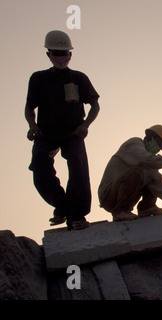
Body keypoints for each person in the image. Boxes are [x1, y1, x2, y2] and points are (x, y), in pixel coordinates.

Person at [25, 30, 100, 230]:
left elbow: (95, 106)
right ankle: (62, 206)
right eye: (56, 53)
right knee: (40, 166)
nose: (60, 58)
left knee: (78, 165)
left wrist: (85, 126)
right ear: (48, 55)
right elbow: (29, 108)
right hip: (46, 133)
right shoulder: (38, 79)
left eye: (64, 53)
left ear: (70, 54)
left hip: (73, 132)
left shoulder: (79, 78)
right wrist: (32, 126)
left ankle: (77, 216)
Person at [98, 125, 162, 221]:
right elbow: (146, 159)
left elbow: (159, 183)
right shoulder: (134, 144)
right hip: (108, 195)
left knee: (153, 177)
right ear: (150, 136)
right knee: (136, 172)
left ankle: (147, 207)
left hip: (123, 194)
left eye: (160, 147)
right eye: (158, 144)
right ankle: (121, 211)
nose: (158, 149)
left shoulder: (148, 165)